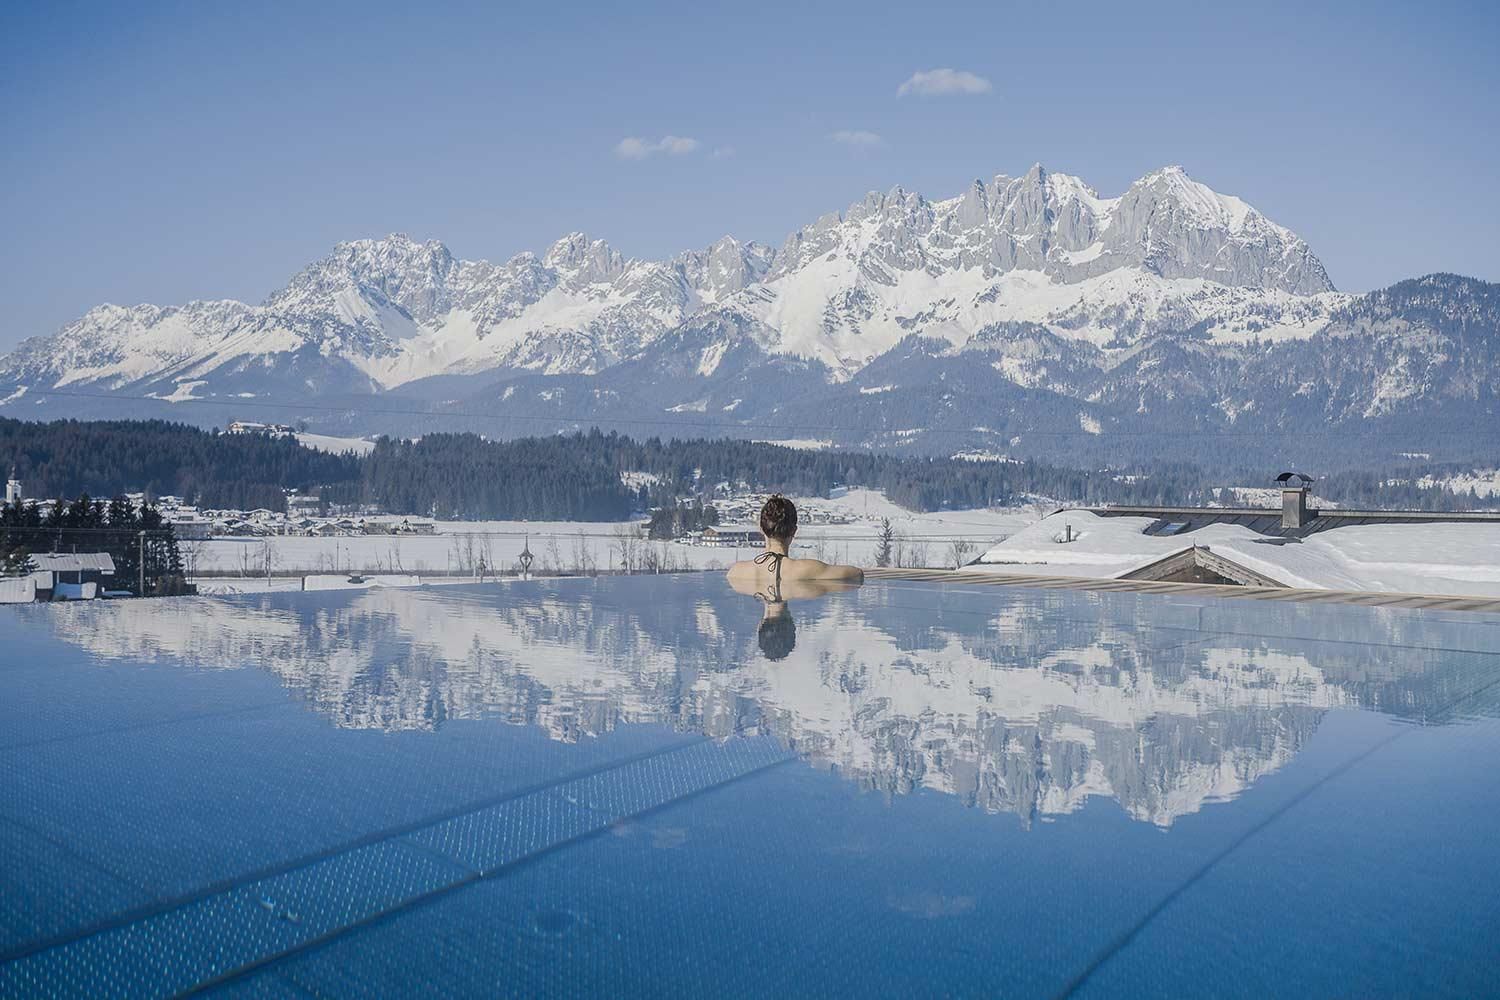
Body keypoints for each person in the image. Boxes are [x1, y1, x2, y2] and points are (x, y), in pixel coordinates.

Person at [726, 495, 864, 598]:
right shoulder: (809, 569)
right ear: (794, 531)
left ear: (761, 529)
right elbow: (857, 574)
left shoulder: (736, 572)